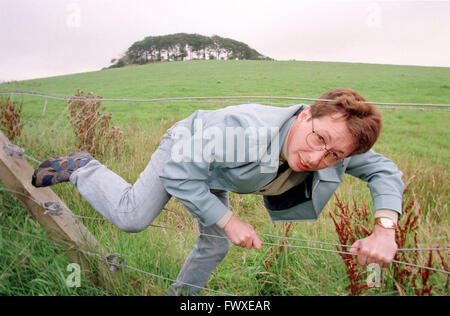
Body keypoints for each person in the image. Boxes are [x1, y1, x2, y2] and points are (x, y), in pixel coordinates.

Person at [32, 88, 404, 295]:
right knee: (132, 216)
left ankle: (180, 298)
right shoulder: (245, 133)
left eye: (335, 154)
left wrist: (385, 229)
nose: (317, 157)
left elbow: (384, 170)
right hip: (189, 148)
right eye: (318, 138)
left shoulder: (334, 148)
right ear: (306, 114)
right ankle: (84, 167)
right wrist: (229, 220)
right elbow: (180, 174)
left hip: (218, 169)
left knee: (215, 245)